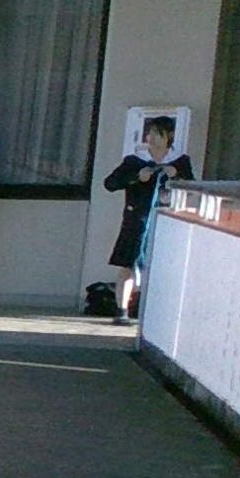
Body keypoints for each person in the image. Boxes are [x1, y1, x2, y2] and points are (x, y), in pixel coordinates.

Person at [101, 115, 194, 324]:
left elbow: (192, 187)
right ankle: (122, 310)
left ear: (168, 136)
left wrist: (176, 175)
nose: (150, 138)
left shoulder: (180, 161)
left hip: (166, 222)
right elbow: (110, 183)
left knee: (163, 266)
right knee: (128, 264)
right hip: (137, 221)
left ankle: (157, 313)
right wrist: (136, 178)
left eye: (156, 133)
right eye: (149, 133)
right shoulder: (134, 161)